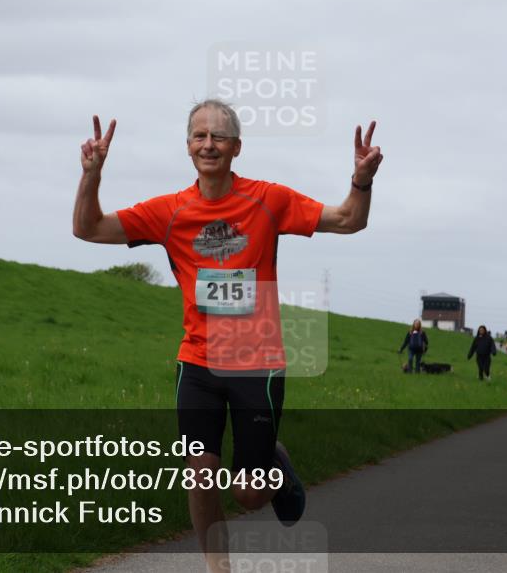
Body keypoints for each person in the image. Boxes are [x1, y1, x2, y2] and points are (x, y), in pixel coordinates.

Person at [72, 100, 382, 573]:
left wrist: (361, 180)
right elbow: (88, 228)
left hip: (257, 365)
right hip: (197, 363)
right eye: (199, 136)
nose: (208, 144)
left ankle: (274, 465)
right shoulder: (169, 212)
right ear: (188, 147)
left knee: (248, 495)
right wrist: (92, 174)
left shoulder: (268, 200)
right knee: (200, 476)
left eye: (218, 137)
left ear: (236, 148)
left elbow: (348, 220)